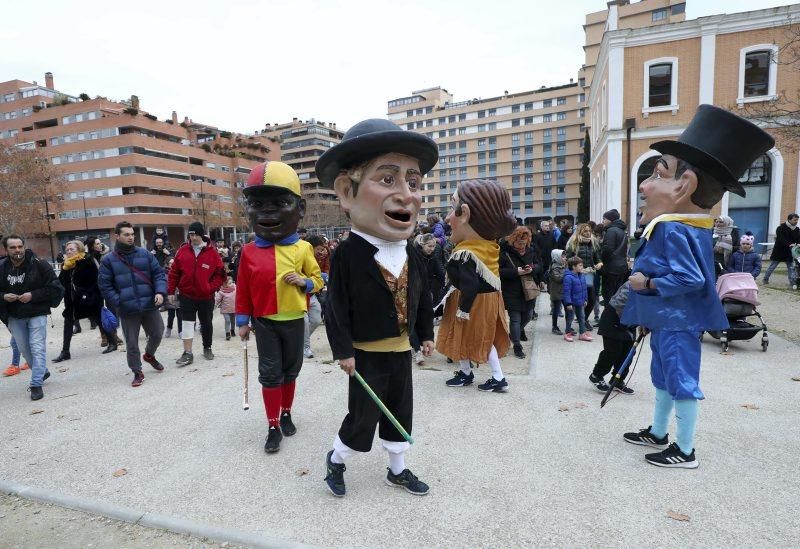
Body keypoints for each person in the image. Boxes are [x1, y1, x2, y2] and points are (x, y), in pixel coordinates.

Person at [621, 104, 773, 468]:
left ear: (684, 186)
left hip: (678, 321)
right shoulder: (679, 225)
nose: (645, 184)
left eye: (658, 174)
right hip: (667, 319)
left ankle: (685, 450)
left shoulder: (674, 227)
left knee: (680, 379)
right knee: (662, 376)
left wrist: (647, 281)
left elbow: (690, 278)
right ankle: (659, 431)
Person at [316, 118, 436, 497]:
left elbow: (421, 298)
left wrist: (426, 334)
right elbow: (335, 306)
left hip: (401, 351)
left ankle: (397, 470)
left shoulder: (412, 251)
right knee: (363, 415)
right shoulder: (348, 254)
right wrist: (344, 350)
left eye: (413, 182)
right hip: (365, 354)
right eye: (388, 180)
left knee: (401, 412)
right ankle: (336, 459)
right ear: (346, 192)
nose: (406, 195)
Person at [236, 161, 323, 454]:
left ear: (300, 208)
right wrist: (242, 321)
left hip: (294, 320)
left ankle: (286, 412)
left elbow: (318, 280)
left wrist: (304, 283)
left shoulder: (303, 248)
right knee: (270, 374)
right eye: (257, 204)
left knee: (291, 371)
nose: (267, 212)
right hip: (265, 323)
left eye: (280, 202)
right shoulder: (247, 251)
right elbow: (244, 289)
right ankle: (272, 424)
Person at [438, 178, 516, 391]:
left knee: (482, 337)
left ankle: (498, 377)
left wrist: (463, 310)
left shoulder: (466, 253)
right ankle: (465, 372)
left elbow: (469, 284)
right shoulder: (488, 247)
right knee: (470, 336)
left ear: (465, 213)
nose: (447, 218)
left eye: (452, 208)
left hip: (471, 302)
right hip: (484, 299)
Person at [99, 221, 167, 387]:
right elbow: (104, 285)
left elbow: (159, 274)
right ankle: (137, 371)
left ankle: (149, 355)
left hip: (149, 304)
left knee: (158, 332)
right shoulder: (108, 260)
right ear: (117, 236)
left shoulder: (145, 254)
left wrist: (159, 292)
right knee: (132, 343)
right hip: (127, 309)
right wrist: (119, 301)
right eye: (126, 234)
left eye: (132, 234)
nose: (131, 237)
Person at [0, 235, 64, 400]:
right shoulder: (1, 267)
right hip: (14, 315)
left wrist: (33, 295)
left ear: (24, 246)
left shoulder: (39, 264)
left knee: (37, 347)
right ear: (6, 250)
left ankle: (36, 384)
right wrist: (4, 296)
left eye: (20, 246)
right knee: (25, 350)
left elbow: (56, 288)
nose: (17, 250)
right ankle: (42, 371)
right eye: (13, 247)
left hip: (37, 312)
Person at [168, 221, 226, 366]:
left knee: (206, 323)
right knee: (187, 323)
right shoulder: (182, 251)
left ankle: (207, 347)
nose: (192, 237)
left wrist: (210, 288)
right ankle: (187, 353)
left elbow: (220, 275)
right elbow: (174, 272)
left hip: (205, 297)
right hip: (186, 295)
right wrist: (171, 290)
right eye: (190, 234)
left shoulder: (212, 253)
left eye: (195, 234)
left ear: (201, 235)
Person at [53, 240, 116, 363]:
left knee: (99, 320)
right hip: (72, 300)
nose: (69, 252)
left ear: (80, 250)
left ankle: (112, 342)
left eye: (72, 249)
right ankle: (65, 351)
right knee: (68, 321)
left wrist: (88, 294)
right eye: (67, 250)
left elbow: (95, 279)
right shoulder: (66, 265)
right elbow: (62, 282)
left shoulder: (86, 261)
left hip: (89, 297)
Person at [499, 226, 541, 359]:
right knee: (515, 319)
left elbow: (540, 265)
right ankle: (517, 345)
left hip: (529, 289)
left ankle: (513, 335)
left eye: (524, 242)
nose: (522, 245)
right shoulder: (505, 252)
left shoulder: (532, 251)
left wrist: (532, 269)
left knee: (528, 315)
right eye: (519, 243)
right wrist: (516, 271)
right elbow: (499, 271)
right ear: (513, 240)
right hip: (511, 290)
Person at [589, 281, 635, 394]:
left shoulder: (656, 284)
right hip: (614, 317)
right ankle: (596, 376)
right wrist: (624, 322)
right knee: (613, 351)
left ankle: (617, 380)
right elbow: (620, 303)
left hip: (630, 321)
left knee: (628, 352)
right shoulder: (635, 282)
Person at [412, 233, 445, 365]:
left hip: (426, 294)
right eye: (429, 246)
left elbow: (442, 274)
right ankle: (416, 350)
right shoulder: (414, 255)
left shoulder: (433, 258)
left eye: (433, 246)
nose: (431, 249)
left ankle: (421, 344)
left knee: (424, 319)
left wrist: (443, 286)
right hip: (412, 293)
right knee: (412, 321)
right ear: (422, 244)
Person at [565, 223, 603, 330]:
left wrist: (599, 263)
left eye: (589, 231)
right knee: (575, 300)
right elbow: (568, 259)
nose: (588, 233)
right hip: (577, 275)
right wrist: (575, 268)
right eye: (585, 231)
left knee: (591, 299)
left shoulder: (594, 243)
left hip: (590, 274)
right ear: (580, 231)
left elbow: (598, 258)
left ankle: (584, 319)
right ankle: (570, 326)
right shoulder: (574, 243)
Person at [303, 235, 329, 359]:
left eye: (322, 249)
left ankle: (300, 342)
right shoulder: (299, 256)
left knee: (316, 319)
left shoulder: (319, 258)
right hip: (299, 295)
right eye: (318, 249)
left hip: (312, 294)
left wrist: (323, 277)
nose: (321, 251)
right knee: (304, 322)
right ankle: (305, 347)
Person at [763, 213, 800, 289]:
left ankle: (792, 282)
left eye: (797, 220)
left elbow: (798, 238)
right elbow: (780, 238)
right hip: (779, 250)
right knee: (773, 266)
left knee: (790, 267)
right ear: (789, 219)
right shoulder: (780, 228)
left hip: (790, 252)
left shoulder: (797, 230)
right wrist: (789, 244)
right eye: (795, 220)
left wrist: (798, 244)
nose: (796, 221)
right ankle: (765, 279)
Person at [600, 209, 629, 303]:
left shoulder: (611, 231)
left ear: (610, 220)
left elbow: (607, 249)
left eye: (604, 219)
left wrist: (601, 260)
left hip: (611, 268)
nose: (603, 221)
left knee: (609, 295)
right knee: (617, 295)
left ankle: (609, 316)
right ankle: (615, 316)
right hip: (621, 267)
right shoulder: (622, 231)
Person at [562, 256, 591, 342]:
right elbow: (566, 291)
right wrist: (568, 303)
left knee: (582, 317)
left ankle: (582, 334)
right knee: (570, 318)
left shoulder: (582, 275)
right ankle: (567, 333)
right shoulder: (568, 277)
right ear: (573, 267)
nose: (582, 267)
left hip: (580, 302)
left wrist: (585, 299)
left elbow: (584, 288)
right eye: (580, 265)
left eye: (582, 265)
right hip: (572, 303)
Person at [548, 249, 566, 335]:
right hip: (557, 291)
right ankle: (554, 327)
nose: (564, 258)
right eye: (562, 256)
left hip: (564, 291)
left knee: (568, 309)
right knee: (556, 310)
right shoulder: (554, 267)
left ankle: (568, 327)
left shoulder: (564, 265)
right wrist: (566, 273)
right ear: (557, 257)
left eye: (565, 256)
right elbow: (558, 279)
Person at [162, 257, 182, 338]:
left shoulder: (180, 272)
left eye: (173, 262)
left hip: (179, 297)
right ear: (167, 264)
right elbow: (164, 285)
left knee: (180, 316)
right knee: (171, 316)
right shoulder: (165, 274)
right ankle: (169, 328)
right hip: (170, 298)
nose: (172, 264)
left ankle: (181, 331)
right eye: (170, 263)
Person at [215, 276, 237, 340]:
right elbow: (217, 299)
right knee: (227, 321)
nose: (231, 284)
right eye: (229, 283)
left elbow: (240, 295)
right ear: (224, 284)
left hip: (233, 309)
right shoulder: (221, 291)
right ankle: (227, 333)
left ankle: (232, 330)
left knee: (233, 321)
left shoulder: (235, 289)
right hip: (225, 310)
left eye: (231, 282)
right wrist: (214, 305)